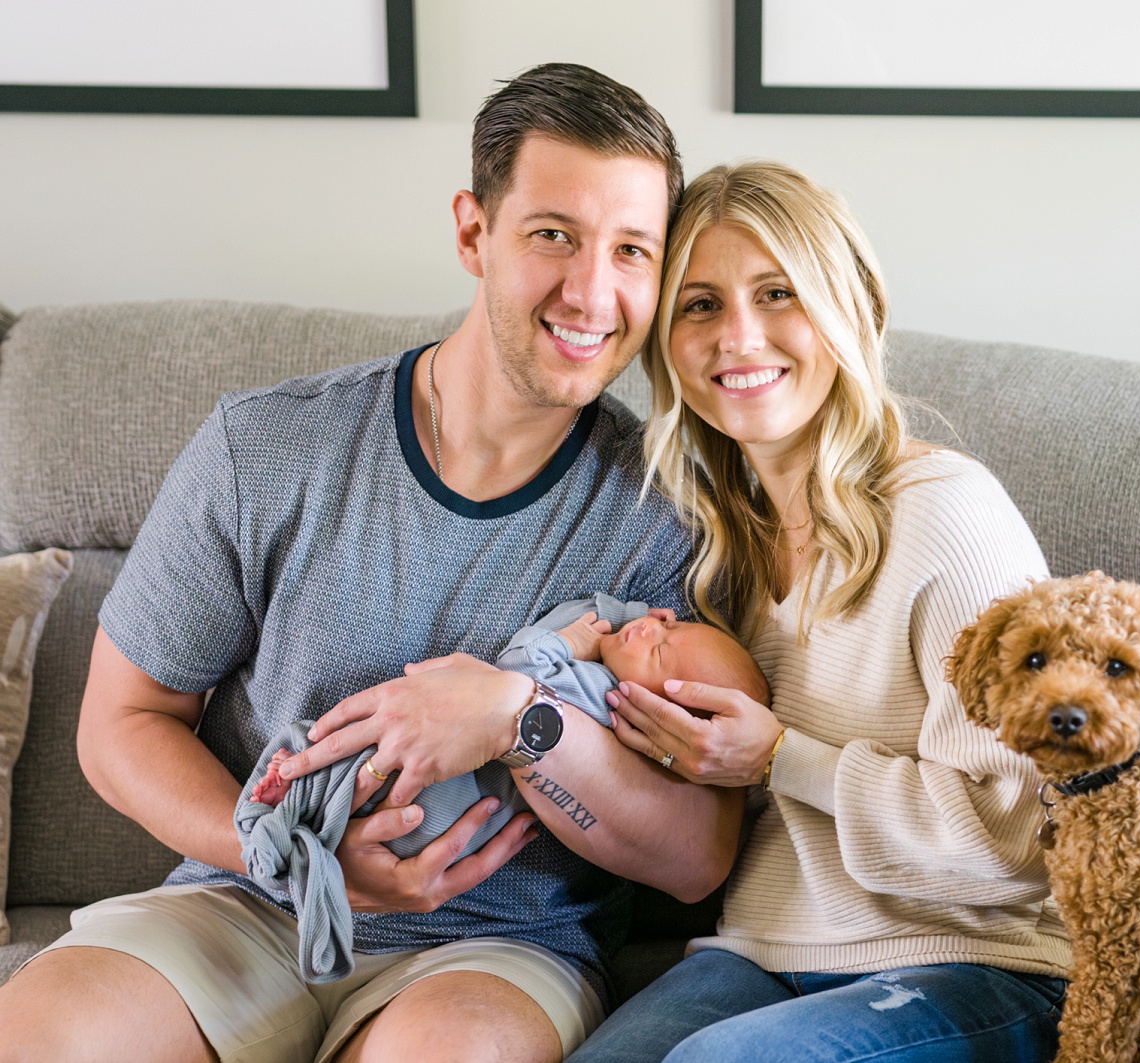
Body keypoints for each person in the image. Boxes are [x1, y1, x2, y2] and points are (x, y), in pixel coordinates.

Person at [0, 64, 743, 1063]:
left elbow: (695, 859)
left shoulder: (668, 517)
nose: (590, 292)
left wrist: (521, 719)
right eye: (552, 235)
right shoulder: (267, 447)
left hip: (493, 950)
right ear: (474, 233)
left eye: (631, 251)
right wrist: (291, 854)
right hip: (245, 903)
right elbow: (119, 724)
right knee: (43, 1036)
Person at [565, 161, 1073, 1062]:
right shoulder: (710, 549)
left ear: (851, 309)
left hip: (981, 964)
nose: (739, 337)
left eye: (778, 293)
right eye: (701, 305)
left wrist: (780, 757)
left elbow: (1019, 833)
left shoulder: (946, 512)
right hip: (762, 954)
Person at [237, 597, 768, 985]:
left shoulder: (603, 694)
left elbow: (518, 671)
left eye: (660, 656)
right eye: (671, 627)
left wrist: (573, 639)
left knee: (369, 762)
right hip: (433, 838)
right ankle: (298, 818)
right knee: (367, 766)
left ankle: (296, 804)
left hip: (450, 837)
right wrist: (626, 617)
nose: (650, 631)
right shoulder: (618, 672)